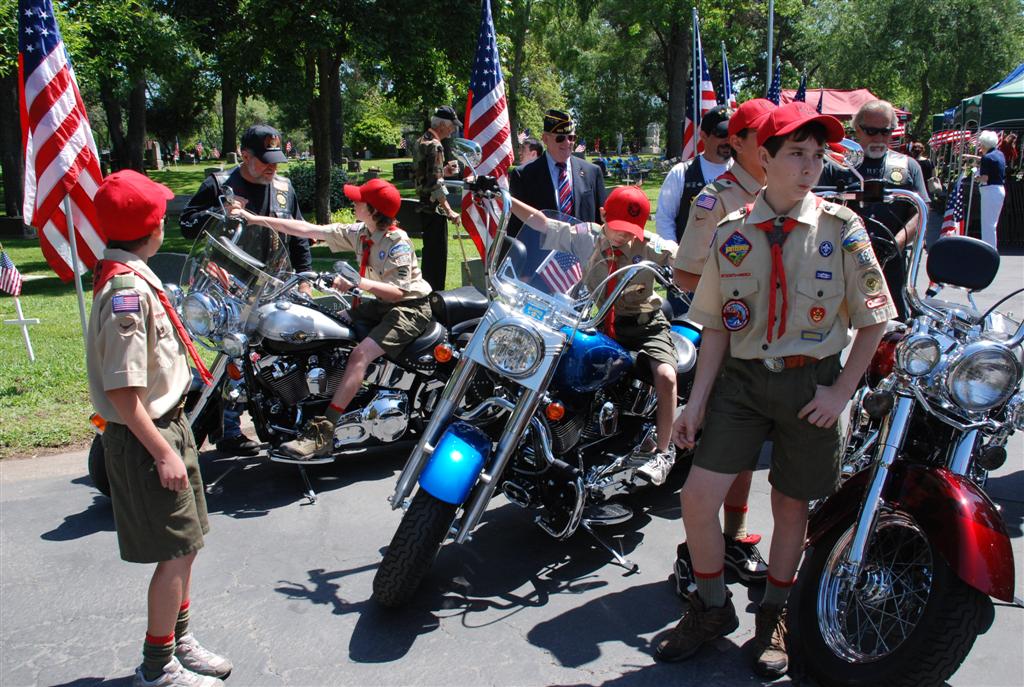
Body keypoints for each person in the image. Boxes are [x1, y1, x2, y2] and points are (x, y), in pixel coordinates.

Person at [655, 102, 896, 678]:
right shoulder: (732, 230)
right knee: (697, 499)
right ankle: (711, 608)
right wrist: (695, 402)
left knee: (791, 505)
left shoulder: (842, 228)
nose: (810, 166)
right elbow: (717, 325)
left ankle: (774, 614)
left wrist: (841, 392)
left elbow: (875, 318)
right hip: (741, 382)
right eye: (796, 154)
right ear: (764, 157)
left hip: (812, 384)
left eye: (818, 155)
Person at [87, 170, 233, 687]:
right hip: (149, 437)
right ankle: (158, 668)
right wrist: (163, 453)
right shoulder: (126, 294)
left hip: (170, 424)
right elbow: (123, 394)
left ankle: (179, 640)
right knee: (173, 554)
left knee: (186, 545)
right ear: (152, 228)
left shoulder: (136, 276)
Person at [230, 179, 433, 461]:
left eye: (359, 200)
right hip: (381, 305)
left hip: (408, 309)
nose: (354, 202)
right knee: (330, 329)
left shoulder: (397, 242)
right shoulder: (361, 233)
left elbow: (398, 292)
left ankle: (325, 431)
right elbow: (308, 229)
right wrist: (254, 220)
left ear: (373, 210)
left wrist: (357, 283)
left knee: (360, 356)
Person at [668, 98, 778, 595]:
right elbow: (686, 275)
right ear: (738, 142)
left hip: (773, 348)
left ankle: (732, 538)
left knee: (748, 453)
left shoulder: (782, 192)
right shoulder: (717, 200)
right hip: (731, 347)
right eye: (766, 137)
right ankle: (695, 556)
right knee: (718, 455)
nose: (776, 145)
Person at [509, 186, 678, 486]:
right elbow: (541, 223)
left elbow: (684, 258)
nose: (624, 236)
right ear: (603, 215)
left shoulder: (648, 246)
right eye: (619, 227)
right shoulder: (586, 237)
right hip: (601, 323)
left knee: (665, 375)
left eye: (631, 231)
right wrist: (504, 197)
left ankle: (664, 452)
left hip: (645, 326)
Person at [180, 124, 313, 457]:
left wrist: (305, 279)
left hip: (275, 288)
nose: (273, 167)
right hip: (228, 290)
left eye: (276, 160)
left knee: (274, 359)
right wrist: (219, 212)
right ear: (245, 156)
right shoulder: (219, 185)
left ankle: (278, 422)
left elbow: (299, 238)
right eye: (266, 160)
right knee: (232, 359)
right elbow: (187, 225)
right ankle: (229, 430)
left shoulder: (284, 188)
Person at [819, 100, 928, 320]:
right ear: (857, 129)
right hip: (843, 260)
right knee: (836, 322)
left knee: (894, 325)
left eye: (885, 131)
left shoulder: (908, 166)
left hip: (892, 260)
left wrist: (894, 244)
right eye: (871, 131)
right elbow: (817, 205)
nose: (878, 138)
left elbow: (921, 210)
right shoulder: (838, 166)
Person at [508, 109, 606, 241]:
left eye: (571, 138)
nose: (567, 143)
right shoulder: (523, 175)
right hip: (541, 252)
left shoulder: (592, 172)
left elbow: (602, 221)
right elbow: (516, 229)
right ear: (545, 139)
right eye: (560, 138)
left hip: (584, 251)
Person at [655, 105, 734, 245]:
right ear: (703, 136)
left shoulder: (743, 171)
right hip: (690, 256)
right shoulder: (681, 173)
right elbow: (664, 219)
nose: (728, 141)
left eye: (733, 134)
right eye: (722, 134)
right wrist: (674, 251)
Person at [413, 106, 463, 292]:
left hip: (423, 205)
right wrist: (449, 210)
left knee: (429, 255)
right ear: (441, 125)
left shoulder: (421, 141)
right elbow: (435, 184)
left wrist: (444, 171)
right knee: (437, 258)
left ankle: (427, 292)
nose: (453, 130)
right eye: (451, 126)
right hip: (434, 209)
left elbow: (424, 175)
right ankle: (435, 296)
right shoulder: (435, 146)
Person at [976, 130, 1006, 251]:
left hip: (990, 190)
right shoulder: (1000, 154)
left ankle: (989, 250)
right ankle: (990, 249)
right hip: (999, 189)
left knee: (987, 224)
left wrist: (976, 177)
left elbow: (984, 178)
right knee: (992, 224)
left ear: (984, 145)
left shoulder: (986, 158)